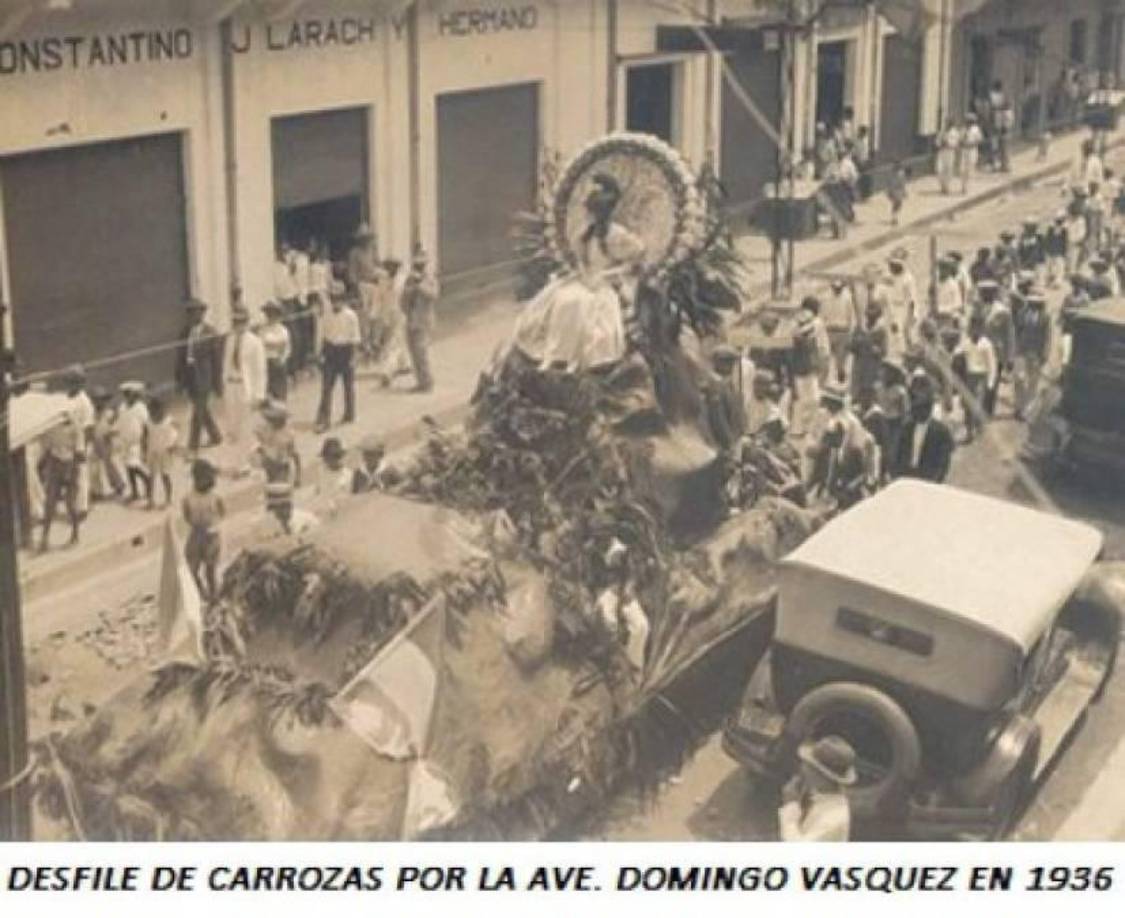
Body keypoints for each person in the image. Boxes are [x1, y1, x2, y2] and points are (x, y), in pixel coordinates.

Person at [512, 172, 644, 373]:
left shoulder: (618, 235)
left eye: (592, 212)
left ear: (602, 213)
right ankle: (554, 354)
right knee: (562, 298)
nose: (588, 216)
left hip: (609, 282)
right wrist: (583, 273)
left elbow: (635, 262)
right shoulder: (586, 233)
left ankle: (574, 359)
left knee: (582, 304)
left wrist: (606, 276)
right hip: (586, 278)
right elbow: (581, 260)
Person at [778, 735, 856, 842]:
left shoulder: (833, 819)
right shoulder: (820, 797)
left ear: (822, 775)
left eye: (809, 765)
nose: (802, 768)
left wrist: (790, 806)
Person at [222, 304, 268, 475]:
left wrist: (259, 394)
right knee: (233, 425)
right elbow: (225, 364)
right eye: (235, 322)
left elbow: (260, 370)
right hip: (232, 385)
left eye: (241, 322)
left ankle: (243, 464)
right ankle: (251, 451)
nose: (238, 325)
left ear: (247, 322)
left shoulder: (255, 342)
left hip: (246, 386)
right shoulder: (230, 339)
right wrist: (224, 385)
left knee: (246, 425)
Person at [176, 298, 224, 454]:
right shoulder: (184, 333)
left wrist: (217, 384)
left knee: (197, 412)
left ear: (202, 314)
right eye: (189, 313)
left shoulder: (211, 333)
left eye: (195, 312)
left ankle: (193, 445)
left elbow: (217, 362)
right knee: (202, 410)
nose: (192, 316)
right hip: (190, 377)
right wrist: (179, 381)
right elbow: (180, 358)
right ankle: (215, 435)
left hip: (204, 377)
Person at [316, 279, 361, 433]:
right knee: (327, 387)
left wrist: (353, 357)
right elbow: (322, 335)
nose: (336, 302)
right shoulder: (326, 315)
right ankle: (324, 418)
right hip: (330, 351)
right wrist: (320, 353)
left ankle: (349, 413)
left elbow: (355, 338)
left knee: (348, 385)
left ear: (344, 299)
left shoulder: (351, 316)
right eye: (333, 299)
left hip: (345, 350)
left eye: (339, 299)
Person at [893, 376, 955, 482]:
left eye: (921, 407)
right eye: (915, 407)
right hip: (906, 478)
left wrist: (934, 481)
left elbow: (943, 463)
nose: (915, 411)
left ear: (929, 407)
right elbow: (898, 454)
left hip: (928, 480)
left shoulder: (941, 432)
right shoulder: (907, 428)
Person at [37, 411, 83, 552]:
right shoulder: (51, 428)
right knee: (49, 502)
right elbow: (46, 449)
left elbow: (79, 452)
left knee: (70, 503)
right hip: (55, 463)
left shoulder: (75, 427)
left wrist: (71, 471)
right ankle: (44, 538)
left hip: (71, 464)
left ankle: (75, 533)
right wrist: (41, 468)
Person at [183, 459, 225, 603]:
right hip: (197, 534)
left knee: (210, 570)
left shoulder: (215, 496)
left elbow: (222, 512)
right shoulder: (188, 497)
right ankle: (202, 593)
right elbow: (187, 515)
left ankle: (214, 596)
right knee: (191, 569)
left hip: (211, 535)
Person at [402, 245, 441, 393]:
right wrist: (410, 290)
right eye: (416, 264)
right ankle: (420, 381)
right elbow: (403, 299)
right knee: (413, 352)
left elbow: (434, 295)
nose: (418, 267)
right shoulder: (410, 279)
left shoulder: (429, 278)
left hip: (424, 320)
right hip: (411, 319)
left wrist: (420, 286)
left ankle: (427, 382)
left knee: (421, 352)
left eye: (420, 264)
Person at [257, 402, 301, 530]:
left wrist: (298, 475)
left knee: (283, 497)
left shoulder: (288, 434)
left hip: (282, 469)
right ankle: (273, 524)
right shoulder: (266, 431)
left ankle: (286, 524)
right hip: (270, 468)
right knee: (271, 499)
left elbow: (295, 454)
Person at [61, 364, 95, 519]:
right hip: (67, 442)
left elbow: (88, 427)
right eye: (69, 381)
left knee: (81, 476)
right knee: (70, 477)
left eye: (74, 381)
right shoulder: (66, 398)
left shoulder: (84, 402)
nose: (70, 384)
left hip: (81, 444)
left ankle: (82, 508)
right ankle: (72, 505)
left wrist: (84, 448)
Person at [1013, 290, 1052, 420]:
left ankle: (1027, 411)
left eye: (1036, 303)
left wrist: (1045, 353)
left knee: (1033, 383)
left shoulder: (1045, 317)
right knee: (1019, 380)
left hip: (1036, 353)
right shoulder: (1022, 314)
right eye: (1031, 302)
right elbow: (1016, 331)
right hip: (1021, 351)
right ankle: (1019, 406)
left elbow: (1047, 336)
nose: (1033, 305)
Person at [958, 316, 998, 442]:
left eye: (977, 328)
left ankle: (977, 425)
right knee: (967, 404)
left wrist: (990, 382)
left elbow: (992, 364)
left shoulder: (986, 344)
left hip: (982, 376)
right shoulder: (966, 343)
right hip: (969, 376)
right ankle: (969, 430)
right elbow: (960, 357)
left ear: (981, 329)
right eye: (972, 328)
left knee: (976, 402)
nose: (974, 331)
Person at [374, 258, 412, 387]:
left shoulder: (399, 281)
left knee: (396, 341)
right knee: (396, 342)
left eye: (391, 268)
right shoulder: (386, 281)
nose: (389, 270)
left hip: (396, 314)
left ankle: (396, 368)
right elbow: (378, 298)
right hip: (392, 314)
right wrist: (376, 315)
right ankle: (396, 367)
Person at [347, 223, 382, 361]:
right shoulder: (354, 253)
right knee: (364, 317)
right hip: (363, 286)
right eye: (363, 238)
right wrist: (356, 289)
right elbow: (352, 273)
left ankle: (375, 342)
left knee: (377, 315)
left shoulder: (373, 250)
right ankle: (366, 345)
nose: (366, 241)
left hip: (375, 285)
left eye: (367, 238)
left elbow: (377, 265)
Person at [980, 279, 1015, 415]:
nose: (984, 295)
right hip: (979, 351)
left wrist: (1010, 357)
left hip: (996, 353)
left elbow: (1009, 335)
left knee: (992, 383)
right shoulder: (977, 308)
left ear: (993, 294)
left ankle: (987, 410)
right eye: (983, 293)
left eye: (987, 293)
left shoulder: (1002, 311)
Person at [706, 344, 747, 451]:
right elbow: (718, 417)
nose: (731, 366)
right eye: (728, 362)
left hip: (734, 439)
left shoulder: (727, 382)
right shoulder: (715, 383)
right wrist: (728, 442)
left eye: (731, 362)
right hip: (722, 443)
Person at [116, 381, 150, 502]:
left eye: (130, 394)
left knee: (135, 465)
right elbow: (120, 423)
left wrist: (146, 443)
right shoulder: (122, 407)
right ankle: (135, 491)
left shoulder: (140, 408)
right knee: (128, 468)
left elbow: (146, 426)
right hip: (125, 441)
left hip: (137, 442)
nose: (128, 397)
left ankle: (147, 481)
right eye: (126, 394)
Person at [88, 385, 124, 502]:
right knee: (94, 467)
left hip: (105, 441)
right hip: (95, 441)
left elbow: (115, 426)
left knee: (109, 464)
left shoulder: (109, 413)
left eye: (101, 399)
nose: (99, 402)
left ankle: (118, 484)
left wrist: (111, 432)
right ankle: (96, 490)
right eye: (96, 400)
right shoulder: (91, 413)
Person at [849, 298, 889, 401]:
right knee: (857, 394)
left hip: (872, 367)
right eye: (869, 315)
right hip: (859, 366)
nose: (871, 317)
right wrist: (858, 342)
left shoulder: (881, 330)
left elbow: (884, 351)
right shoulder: (859, 328)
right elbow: (851, 347)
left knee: (870, 394)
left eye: (874, 315)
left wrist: (876, 349)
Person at [789, 309, 820, 438]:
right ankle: (797, 429)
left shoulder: (811, 336)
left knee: (814, 400)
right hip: (799, 372)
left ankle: (808, 427)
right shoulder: (796, 339)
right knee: (799, 402)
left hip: (810, 371)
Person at [878, 358, 910, 482]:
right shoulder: (879, 387)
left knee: (892, 451)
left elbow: (905, 411)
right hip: (881, 422)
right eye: (883, 371)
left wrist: (903, 426)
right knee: (881, 450)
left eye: (888, 372)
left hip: (895, 423)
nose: (884, 374)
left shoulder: (899, 391)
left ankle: (893, 474)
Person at [145, 396, 178, 509]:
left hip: (165, 452)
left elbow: (175, 434)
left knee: (165, 476)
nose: (154, 412)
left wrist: (173, 445)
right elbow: (145, 436)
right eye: (152, 410)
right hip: (152, 451)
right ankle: (150, 500)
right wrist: (144, 449)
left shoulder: (168, 421)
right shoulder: (148, 421)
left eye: (157, 410)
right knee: (150, 477)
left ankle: (168, 499)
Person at [821, 278, 856, 384]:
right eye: (835, 288)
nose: (837, 290)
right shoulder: (826, 298)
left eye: (839, 288)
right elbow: (822, 315)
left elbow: (851, 316)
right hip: (829, 331)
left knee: (840, 362)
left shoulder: (847, 298)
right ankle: (824, 382)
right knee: (825, 359)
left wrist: (850, 333)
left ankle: (841, 380)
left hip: (842, 332)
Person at [885, 250, 917, 355]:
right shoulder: (890, 277)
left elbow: (912, 299)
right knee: (892, 334)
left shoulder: (908, 279)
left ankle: (907, 354)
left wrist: (911, 316)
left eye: (893, 265)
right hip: (891, 308)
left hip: (903, 308)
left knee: (904, 335)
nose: (891, 268)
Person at [259, 301, 292, 402]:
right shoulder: (262, 330)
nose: (271, 317)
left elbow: (287, 348)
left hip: (278, 362)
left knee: (279, 393)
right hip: (265, 363)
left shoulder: (283, 330)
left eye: (273, 314)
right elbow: (260, 345)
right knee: (267, 394)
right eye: (268, 314)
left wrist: (282, 359)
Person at [315, 436, 353, 517]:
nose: (331, 459)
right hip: (323, 511)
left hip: (341, 512)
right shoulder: (321, 472)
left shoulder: (348, 475)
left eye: (336, 456)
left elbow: (348, 497)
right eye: (327, 456)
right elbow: (320, 493)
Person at [935, 119, 961, 196]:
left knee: (949, 169)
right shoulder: (942, 131)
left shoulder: (955, 132)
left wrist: (949, 143)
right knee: (939, 169)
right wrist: (939, 143)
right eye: (947, 123)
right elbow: (937, 141)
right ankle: (942, 185)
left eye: (949, 123)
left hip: (950, 152)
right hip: (942, 152)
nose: (948, 124)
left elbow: (956, 143)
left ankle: (946, 187)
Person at [960, 113, 983, 195]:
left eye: (969, 121)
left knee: (970, 168)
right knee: (962, 169)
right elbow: (960, 139)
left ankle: (967, 188)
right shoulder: (963, 130)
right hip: (964, 150)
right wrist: (962, 143)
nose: (968, 123)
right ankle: (963, 186)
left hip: (972, 150)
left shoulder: (976, 130)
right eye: (967, 121)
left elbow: (979, 140)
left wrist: (972, 144)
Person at [1044, 214, 1069, 288]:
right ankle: (1048, 280)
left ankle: (1057, 282)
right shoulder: (1051, 229)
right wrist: (1047, 249)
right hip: (1051, 250)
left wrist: (1064, 252)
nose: (1059, 223)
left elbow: (1065, 242)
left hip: (1059, 251)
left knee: (1059, 267)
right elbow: (1047, 240)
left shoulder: (1064, 230)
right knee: (1049, 267)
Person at [886, 161, 908, 226]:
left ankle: (894, 217)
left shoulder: (898, 173)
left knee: (897, 205)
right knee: (897, 204)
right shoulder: (900, 174)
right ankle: (894, 218)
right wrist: (904, 192)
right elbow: (902, 184)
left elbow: (902, 183)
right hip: (896, 191)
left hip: (896, 191)